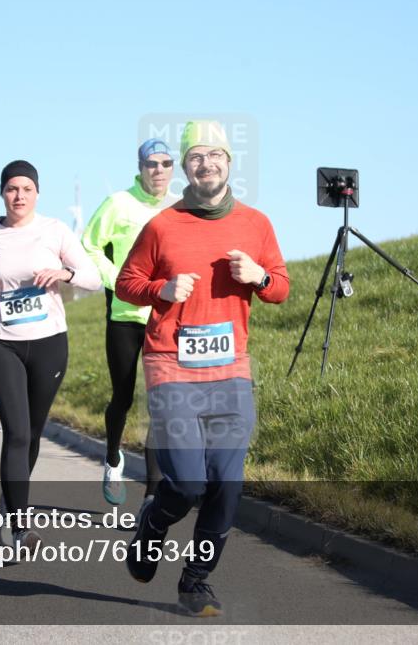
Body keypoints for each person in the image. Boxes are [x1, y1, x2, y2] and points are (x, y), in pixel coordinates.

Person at [116, 121, 290, 616]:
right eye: (196, 156)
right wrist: (162, 289)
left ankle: (196, 580)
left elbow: (280, 287)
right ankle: (153, 521)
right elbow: (127, 282)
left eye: (215, 155)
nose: (206, 163)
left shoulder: (256, 224)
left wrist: (259, 277)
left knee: (226, 484)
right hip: (171, 364)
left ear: (229, 163)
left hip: (230, 368)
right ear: (186, 168)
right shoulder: (162, 225)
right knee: (188, 484)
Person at [0, 160, 100, 551]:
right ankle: (19, 528)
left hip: (48, 342)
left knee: (34, 433)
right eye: (12, 188)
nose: (19, 195)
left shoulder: (55, 230)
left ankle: (12, 498)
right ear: (2, 193)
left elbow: (93, 277)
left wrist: (64, 274)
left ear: (37, 193)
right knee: (18, 432)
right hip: (0, 340)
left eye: (26, 188)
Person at [82, 137, 175, 506]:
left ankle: (152, 495)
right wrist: (117, 280)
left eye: (166, 163)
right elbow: (88, 245)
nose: (158, 170)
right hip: (124, 314)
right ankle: (112, 460)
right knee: (122, 396)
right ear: (140, 168)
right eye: (152, 164)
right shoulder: (118, 203)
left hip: (164, 318)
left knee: (159, 405)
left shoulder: (180, 207)